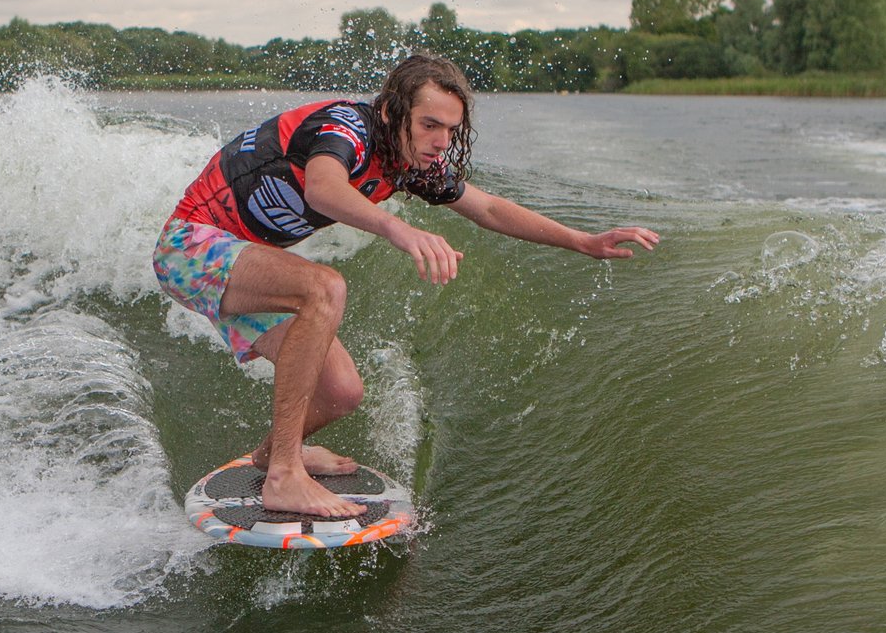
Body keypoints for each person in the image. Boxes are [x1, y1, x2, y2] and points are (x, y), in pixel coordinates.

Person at [153, 52, 660, 519]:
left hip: (248, 264)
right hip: (191, 247)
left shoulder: (408, 162)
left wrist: (583, 241)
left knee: (341, 392)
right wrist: (396, 226)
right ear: (395, 112)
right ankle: (286, 475)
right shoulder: (344, 127)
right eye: (430, 124)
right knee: (324, 287)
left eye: (450, 128)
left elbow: (485, 208)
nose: (441, 140)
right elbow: (322, 186)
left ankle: (272, 453)